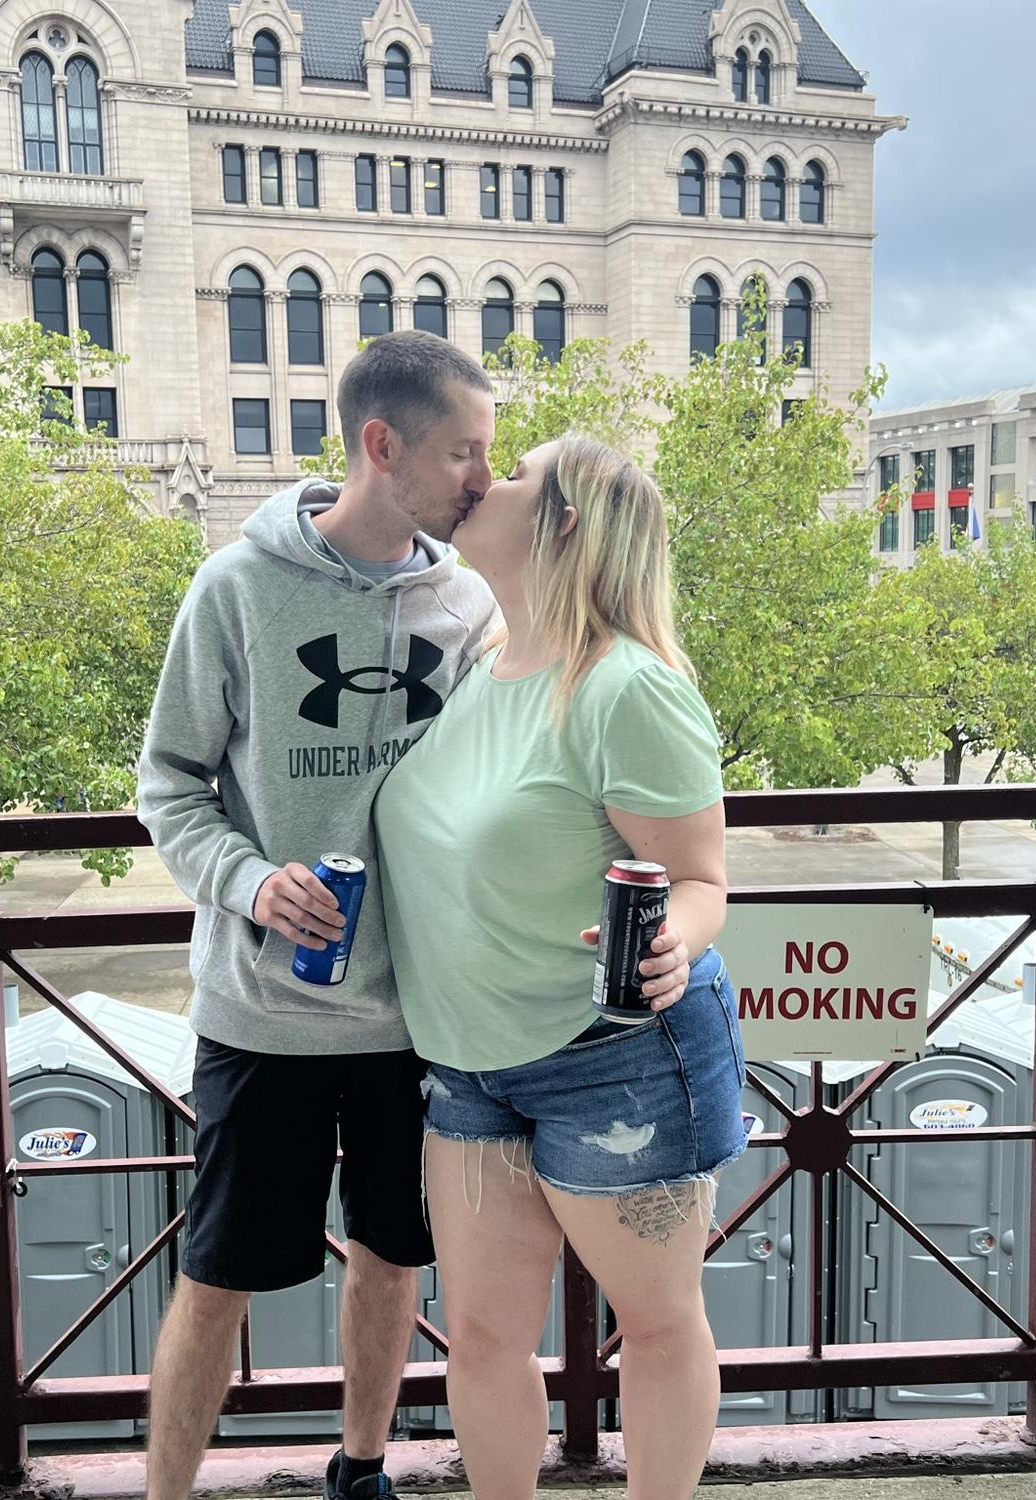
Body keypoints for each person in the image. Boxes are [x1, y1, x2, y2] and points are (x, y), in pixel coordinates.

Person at [135, 335, 695, 1500]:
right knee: (217, 1275)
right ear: (382, 447)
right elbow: (168, 784)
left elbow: (579, 748)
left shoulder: (473, 602)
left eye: (497, 458)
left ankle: (362, 1469)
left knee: (393, 1259)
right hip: (267, 1013)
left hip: (427, 1028)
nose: (482, 479)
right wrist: (248, 883)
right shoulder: (234, 588)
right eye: (464, 453)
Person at [374, 433, 746, 1500]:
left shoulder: (626, 687)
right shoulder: (483, 666)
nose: (483, 479)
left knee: (658, 1325)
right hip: (469, 1062)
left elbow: (701, 878)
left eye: (515, 473)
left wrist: (674, 941)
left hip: (616, 1058)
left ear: (564, 521)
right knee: (483, 1339)